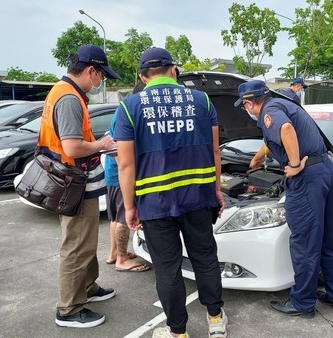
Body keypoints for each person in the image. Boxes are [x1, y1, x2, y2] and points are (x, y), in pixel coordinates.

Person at [114, 47, 227, 338]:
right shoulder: (202, 100)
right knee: (205, 258)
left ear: (142, 76)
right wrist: (216, 189)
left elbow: (126, 164)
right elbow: (215, 150)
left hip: (155, 203)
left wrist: (130, 207)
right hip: (198, 197)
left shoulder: (129, 107)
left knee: (167, 269)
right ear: (173, 70)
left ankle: (178, 333)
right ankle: (216, 320)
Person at [234, 80, 333, 318]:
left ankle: (303, 303)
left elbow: (285, 130)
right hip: (324, 170)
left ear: (248, 103)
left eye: (244, 106)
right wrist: (256, 159)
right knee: (328, 237)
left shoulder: (270, 111)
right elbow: (273, 140)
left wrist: (295, 165)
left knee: (305, 243)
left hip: (307, 179)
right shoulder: (283, 103)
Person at [38, 44, 122, 328]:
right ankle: (70, 309)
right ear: (91, 71)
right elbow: (73, 147)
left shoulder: (63, 91)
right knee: (76, 245)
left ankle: (88, 288)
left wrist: (98, 145)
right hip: (73, 182)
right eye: (101, 76)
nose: (101, 82)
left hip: (76, 180)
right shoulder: (70, 99)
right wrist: (103, 144)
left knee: (86, 240)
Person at [103, 81, 151, 272]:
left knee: (115, 217)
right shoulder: (127, 113)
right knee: (123, 216)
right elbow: (117, 150)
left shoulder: (122, 111)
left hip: (113, 174)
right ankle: (122, 259)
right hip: (120, 174)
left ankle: (114, 253)